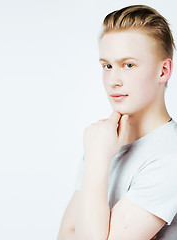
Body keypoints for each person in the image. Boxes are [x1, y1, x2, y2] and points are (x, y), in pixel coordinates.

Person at [57, 5, 177, 240]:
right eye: (107, 66)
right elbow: (65, 234)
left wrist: (97, 162)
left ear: (163, 71)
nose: (113, 80)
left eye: (128, 65)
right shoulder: (102, 142)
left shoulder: (170, 157)